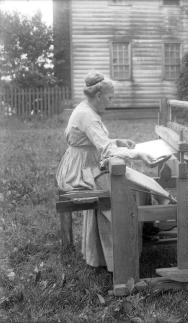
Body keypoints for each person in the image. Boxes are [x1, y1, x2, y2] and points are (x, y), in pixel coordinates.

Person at [56, 71, 156, 271]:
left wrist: (118, 142)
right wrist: (136, 154)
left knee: (129, 183)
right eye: (109, 98)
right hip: (80, 172)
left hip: (85, 164)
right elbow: (105, 149)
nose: (110, 102)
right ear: (99, 95)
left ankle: (140, 233)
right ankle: (117, 256)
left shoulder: (87, 110)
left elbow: (98, 141)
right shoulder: (87, 115)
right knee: (123, 192)